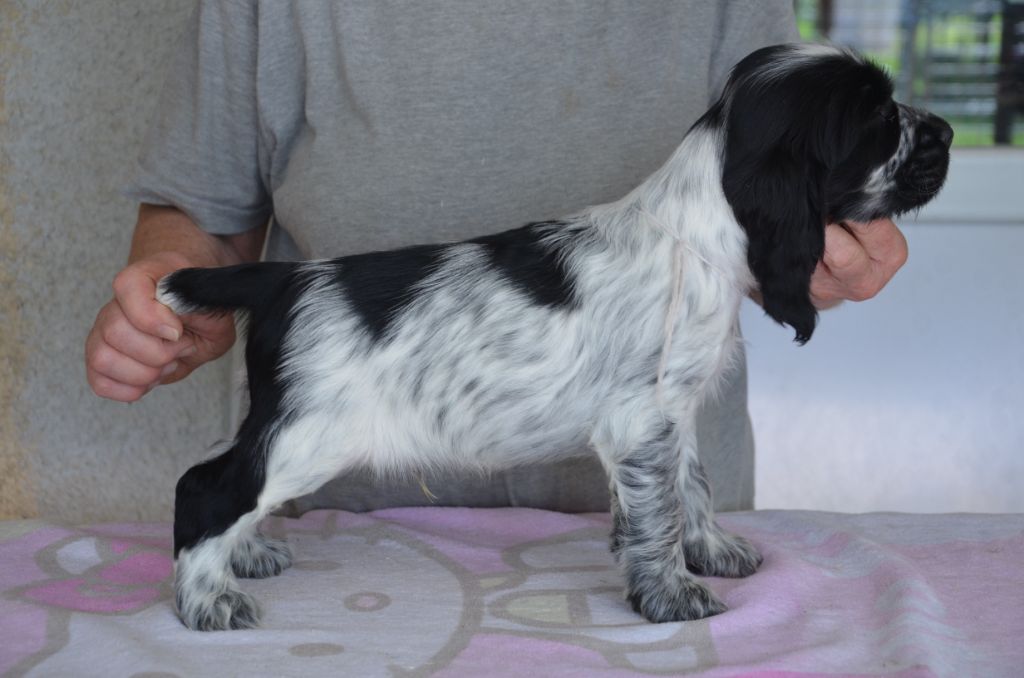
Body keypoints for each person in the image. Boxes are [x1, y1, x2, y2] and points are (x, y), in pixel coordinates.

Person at [85, 1, 908, 514]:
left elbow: (780, 184)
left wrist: (819, 253)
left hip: (641, 508)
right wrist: (168, 293)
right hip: (353, 530)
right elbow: (204, 213)